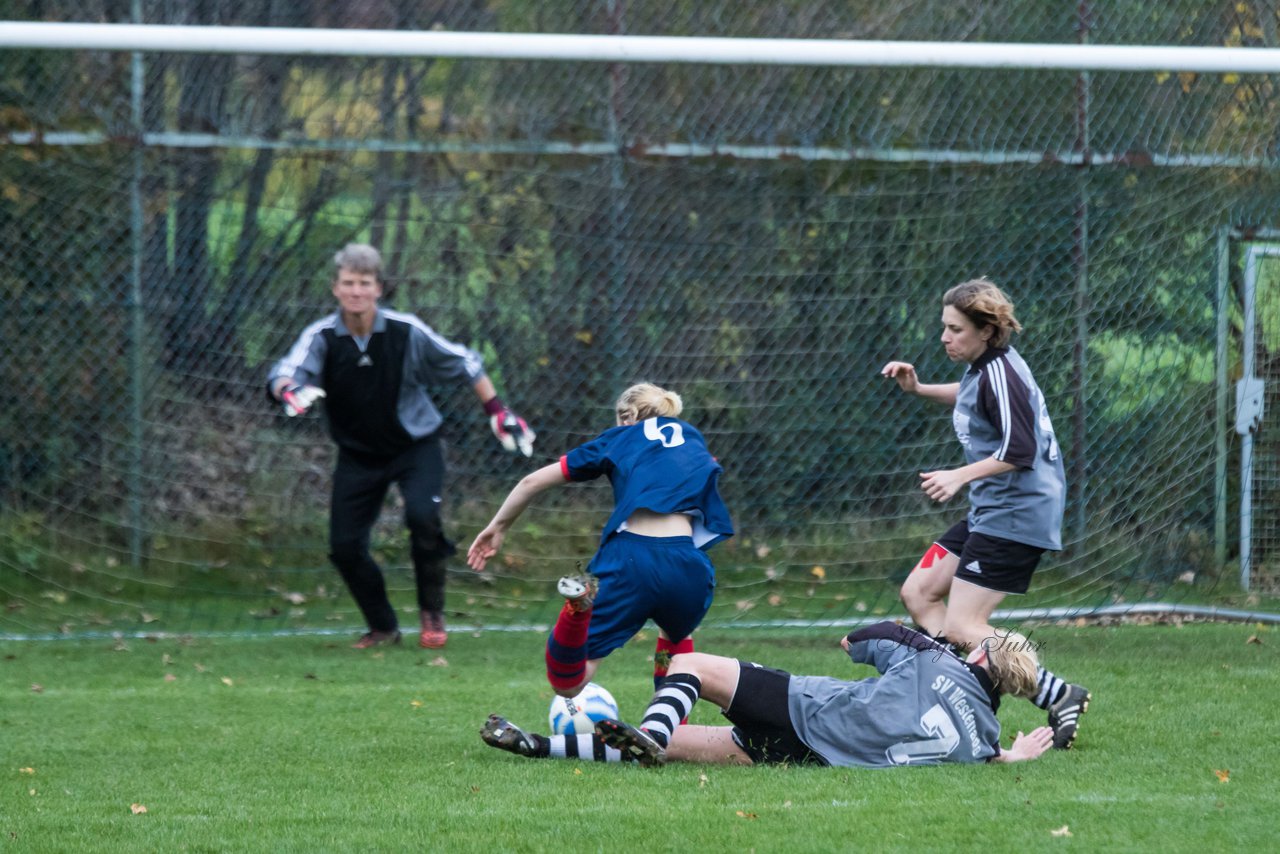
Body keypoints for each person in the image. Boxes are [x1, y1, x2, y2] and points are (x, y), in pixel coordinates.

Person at [266, 243, 534, 650]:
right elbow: (286, 372)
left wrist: (498, 410)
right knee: (344, 546)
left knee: (423, 517)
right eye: (348, 283)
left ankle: (432, 611)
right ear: (335, 289)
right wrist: (288, 391)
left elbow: (466, 362)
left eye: (364, 283)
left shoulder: (406, 330)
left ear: (378, 288)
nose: (356, 291)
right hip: (358, 455)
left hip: (415, 448)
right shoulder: (321, 336)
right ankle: (383, 626)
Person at [879, 277, 1088, 748]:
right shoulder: (985, 368)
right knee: (918, 593)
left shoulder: (1002, 373)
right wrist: (919, 389)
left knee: (962, 626)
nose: (944, 337)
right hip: (992, 509)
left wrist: (958, 475)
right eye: (944, 327)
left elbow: (1021, 450)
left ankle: (1056, 693)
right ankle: (965, 690)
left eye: (955, 329)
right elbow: (970, 395)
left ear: (986, 332)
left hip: (1018, 515)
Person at [480, 620, 1054, 768]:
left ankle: (648, 734)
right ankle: (536, 746)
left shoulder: (932, 656)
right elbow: (992, 758)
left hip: (808, 709)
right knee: (683, 746)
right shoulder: (983, 739)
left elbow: (860, 640)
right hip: (811, 758)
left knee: (689, 664)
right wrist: (1015, 755)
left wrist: (922, 639)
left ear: (979, 654)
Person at [466, 382, 732, 696]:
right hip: (689, 566)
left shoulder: (622, 436)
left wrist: (498, 527)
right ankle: (669, 731)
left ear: (627, 417)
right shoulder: (693, 439)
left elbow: (531, 481)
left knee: (569, 683)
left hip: (631, 559)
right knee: (676, 645)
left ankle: (577, 610)